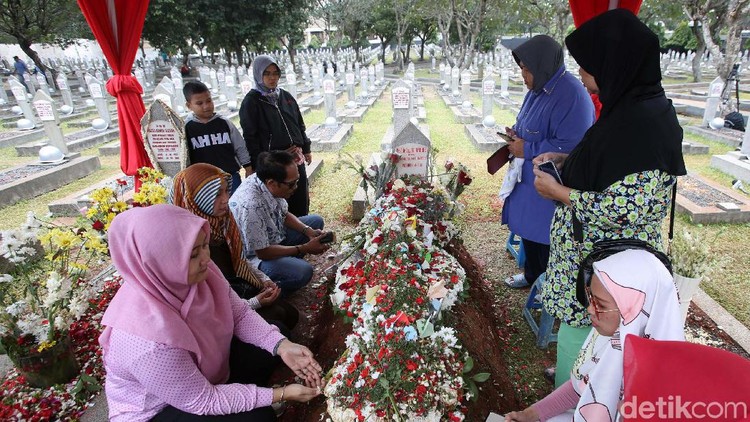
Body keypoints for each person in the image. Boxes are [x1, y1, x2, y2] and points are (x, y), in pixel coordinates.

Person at [532, 9, 687, 387]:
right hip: (590, 262)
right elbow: (606, 167)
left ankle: (583, 396)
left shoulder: (648, 124)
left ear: (613, 64)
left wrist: (562, 192)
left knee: (601, 338)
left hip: (608, 269)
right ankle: (576, 382)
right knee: (585, 336)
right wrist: (566, 160)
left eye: (588, 67)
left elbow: (627, 207)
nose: (582, 76)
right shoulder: (624, 111)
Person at [100, 204, 322, 421]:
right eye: (193, 254)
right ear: (159, 262)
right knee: (258, 417)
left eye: (204, 245)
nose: (206, 258)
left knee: (278, 338)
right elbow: (202, 400)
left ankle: (241, 392)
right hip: (160, 408)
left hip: (203, 369)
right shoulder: (146, 342)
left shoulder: (200, 273)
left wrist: (281, 346)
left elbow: (240, 314)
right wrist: (281, 394)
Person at [504, 249, 685, 421]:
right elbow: (579, 386)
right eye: (591, 297)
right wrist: (530, 414)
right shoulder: (608, 337)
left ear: (635, 312)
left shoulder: (666, 383)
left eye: (601, 305)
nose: (589, 309)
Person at [500, 35, 594, 289]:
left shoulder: (572, 96)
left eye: (527, 69)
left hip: (552, 183)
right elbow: (528, 122)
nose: (523, 75)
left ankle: (547, 286)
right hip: (531, 180)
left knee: (546, 237)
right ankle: (532, 276)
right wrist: (517, 135)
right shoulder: (539, 87)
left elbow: (573, 146)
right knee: (529, 232)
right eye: (522, 69)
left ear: (543, 65)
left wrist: (527, 147)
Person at [170, 163, 299, 332]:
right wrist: (254, 302)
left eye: (226, 191)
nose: (226, 199)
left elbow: (239, 259)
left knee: (290, 315)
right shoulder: (186, 240)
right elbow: (203, 305)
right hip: (215, 313)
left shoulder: (223, 220)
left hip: (236, 290)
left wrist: (263, 280)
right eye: (216, 194)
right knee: (279, 326)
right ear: (195, 198)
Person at [229, 151, 329, 296]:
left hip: (272, 237)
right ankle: (264, 291)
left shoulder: (267, 183)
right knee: (303, 272)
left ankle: (286, 263)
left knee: (315, 222)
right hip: (254, 258)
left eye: (298, 180)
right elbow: (262, 252)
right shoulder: (250, 205)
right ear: (271, 183)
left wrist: (308, 231)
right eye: (291, 184)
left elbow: (283, 213)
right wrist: (303, 248)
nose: (296, 187)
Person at [239, 54, 313, 217]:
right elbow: (250, 136)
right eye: (267, 73)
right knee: (280, 204)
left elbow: (298, 122)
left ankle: (303, 230)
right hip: (273, 162)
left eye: (275, 73)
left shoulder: (284, 96)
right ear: (258, 74)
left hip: (295, 157)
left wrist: (306, 147)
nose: (272, 78)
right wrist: (256, 163)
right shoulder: (251, 101)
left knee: (300, 197)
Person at [183, 81, 252, 195]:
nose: (206, 106)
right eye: (199, 103)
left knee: (234, 209)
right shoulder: (186, 128)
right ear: (189, 105)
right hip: (203, 182)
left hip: (230, 177)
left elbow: (240, 146)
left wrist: (248, 168)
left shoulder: (224, 123)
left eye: (209, 101)